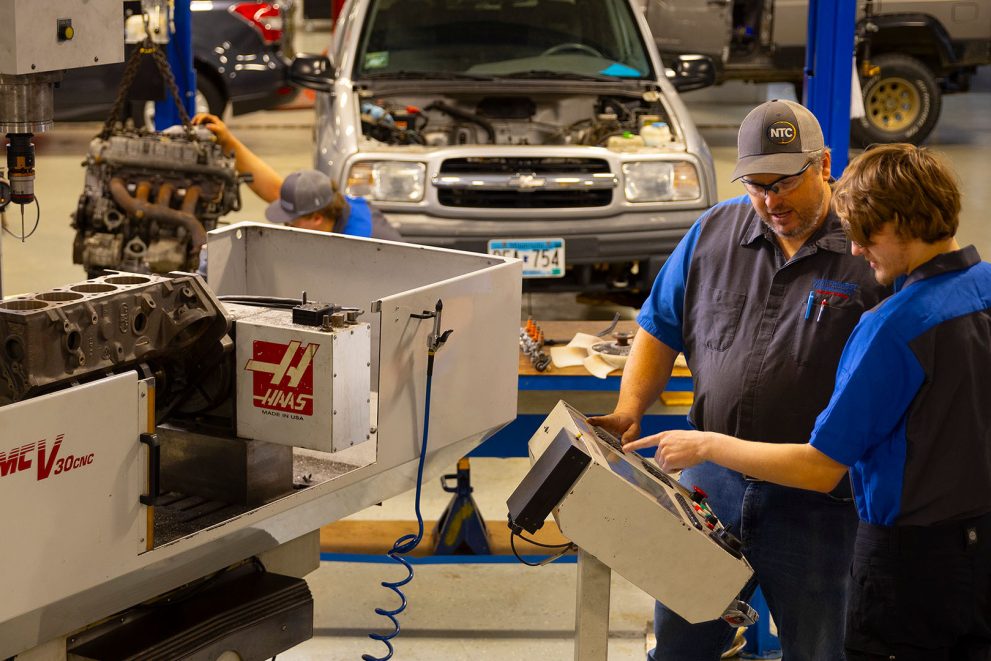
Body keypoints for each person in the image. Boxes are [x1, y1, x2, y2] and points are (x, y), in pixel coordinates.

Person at [628, 143, 991, 661]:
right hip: (973, 540)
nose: (859, 252)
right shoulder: (983, 288)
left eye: (866, 236)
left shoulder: (893, 327)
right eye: (758, 186)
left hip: (895, 546)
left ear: (903, 223)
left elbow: (822, 467)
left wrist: (709, 444)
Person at [588, 99, 889, 661]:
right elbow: (659, 327)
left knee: (822, 646)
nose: (770, 201)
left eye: (784, 183)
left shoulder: (867, 249)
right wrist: (629, 409)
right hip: (709, 486)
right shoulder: (713, 233)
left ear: (824, 164)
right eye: (756, 184)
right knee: (683, 643)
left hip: (818, 499)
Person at [192, 112, 402, 241]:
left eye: (290, 222)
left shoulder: (360, 244)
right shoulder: (336, 205)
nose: (287, 226)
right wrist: (227, 141)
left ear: (317, 218)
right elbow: (277, 191)